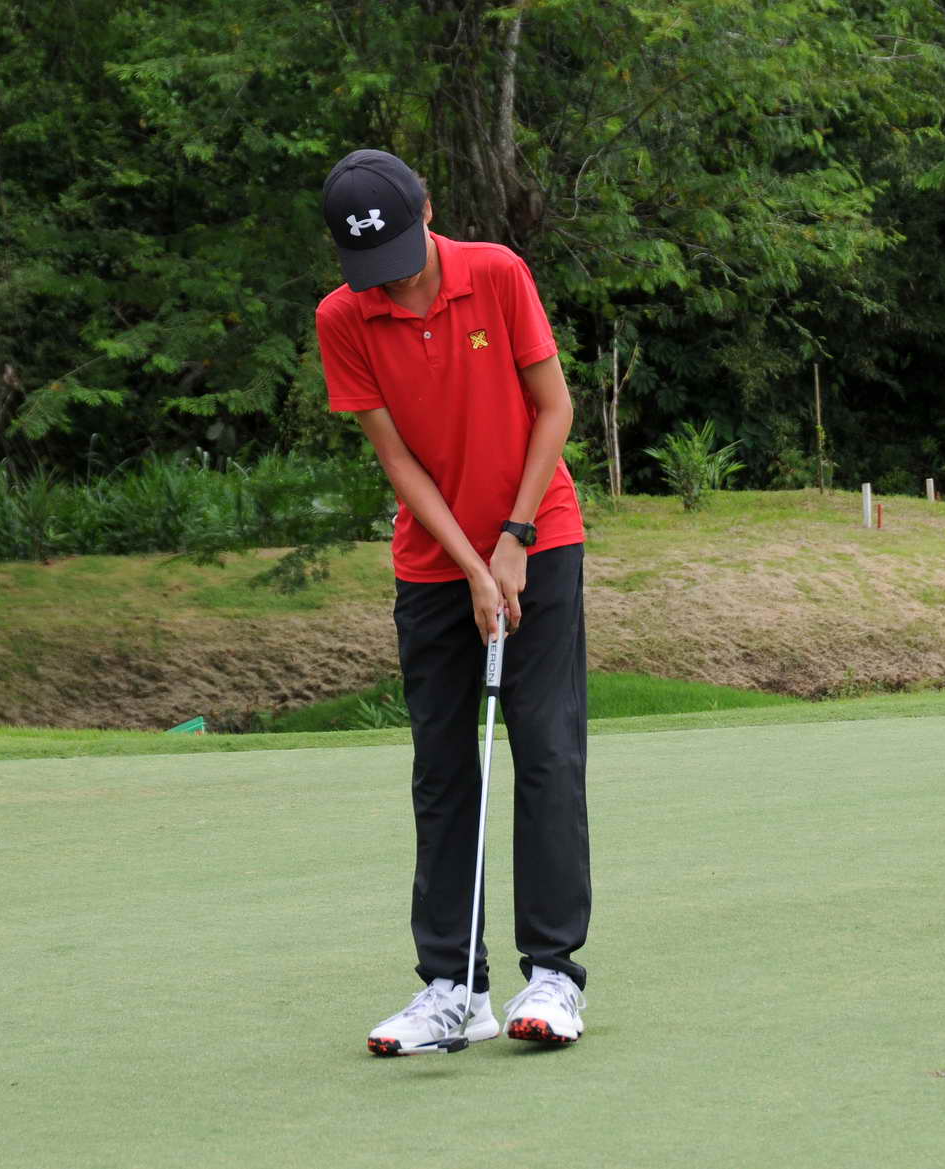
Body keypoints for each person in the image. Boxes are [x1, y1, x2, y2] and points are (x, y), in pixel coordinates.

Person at [314, 148, 591, 1054]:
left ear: (427, 210)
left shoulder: (497, 273)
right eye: (372, 271)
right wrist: (471, 565)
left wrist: (512, 539)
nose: (393, 286)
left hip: (538, 538)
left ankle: (552, 975)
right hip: (435, 564)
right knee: (441, 767)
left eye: (400, 259)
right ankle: (452, 986)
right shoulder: (343, 316)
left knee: (545, 752)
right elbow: (396, 459)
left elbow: (554, 409)